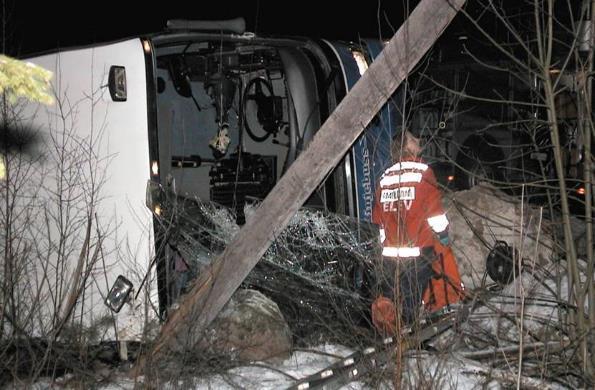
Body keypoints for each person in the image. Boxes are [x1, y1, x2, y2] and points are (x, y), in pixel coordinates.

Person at [370, 130, 464, 334]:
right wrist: (443, 236)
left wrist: (385, 246)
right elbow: (434, 213)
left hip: (391, 257)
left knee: (397, 299)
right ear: (405, 147)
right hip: (418, 253)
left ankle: (392, 335)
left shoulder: (385, 178)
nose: (418, 140)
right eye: (413, 139)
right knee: (412, 304)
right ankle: (410, 343)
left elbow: (379, 221)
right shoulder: (422, 172)